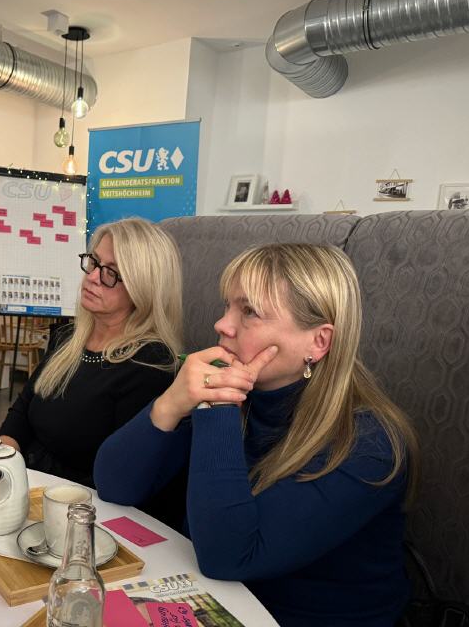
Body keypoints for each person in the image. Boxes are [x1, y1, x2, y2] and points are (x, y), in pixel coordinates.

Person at [95, 243, 419, 627]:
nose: (222, 325)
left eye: (249, 311)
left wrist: (218, 407)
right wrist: (170, 403)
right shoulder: (244, 393)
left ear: (318, 342)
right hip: (216, 597)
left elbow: (228, 556)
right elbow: (114, 485)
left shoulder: (369, 443)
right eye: (227, 306)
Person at [0, 217, 182, 487]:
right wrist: (2, 460)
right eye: (94, 262)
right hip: (26, 482)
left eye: (111, 273)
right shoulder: (67, 337)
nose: (93, 277)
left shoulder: (151, 364)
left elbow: (119, 477)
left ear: (143, 287)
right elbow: (23, 409)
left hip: (79, 501)